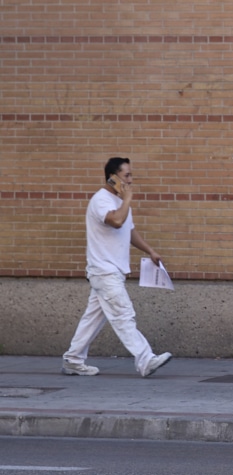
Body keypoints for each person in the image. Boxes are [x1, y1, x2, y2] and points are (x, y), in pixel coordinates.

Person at [62, 157, 173, 378]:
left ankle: (73, 359)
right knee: (123, 314)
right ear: (113, 178)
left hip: (110, 272)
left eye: (131, 176)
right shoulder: (101, 200)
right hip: (104, 271)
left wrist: (150, 251)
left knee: (92, 319)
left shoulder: (120, 202)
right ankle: (145, 359)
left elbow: (128, 231)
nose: (130, 181)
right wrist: (128, 198)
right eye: (127, 176)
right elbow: (116, 221)